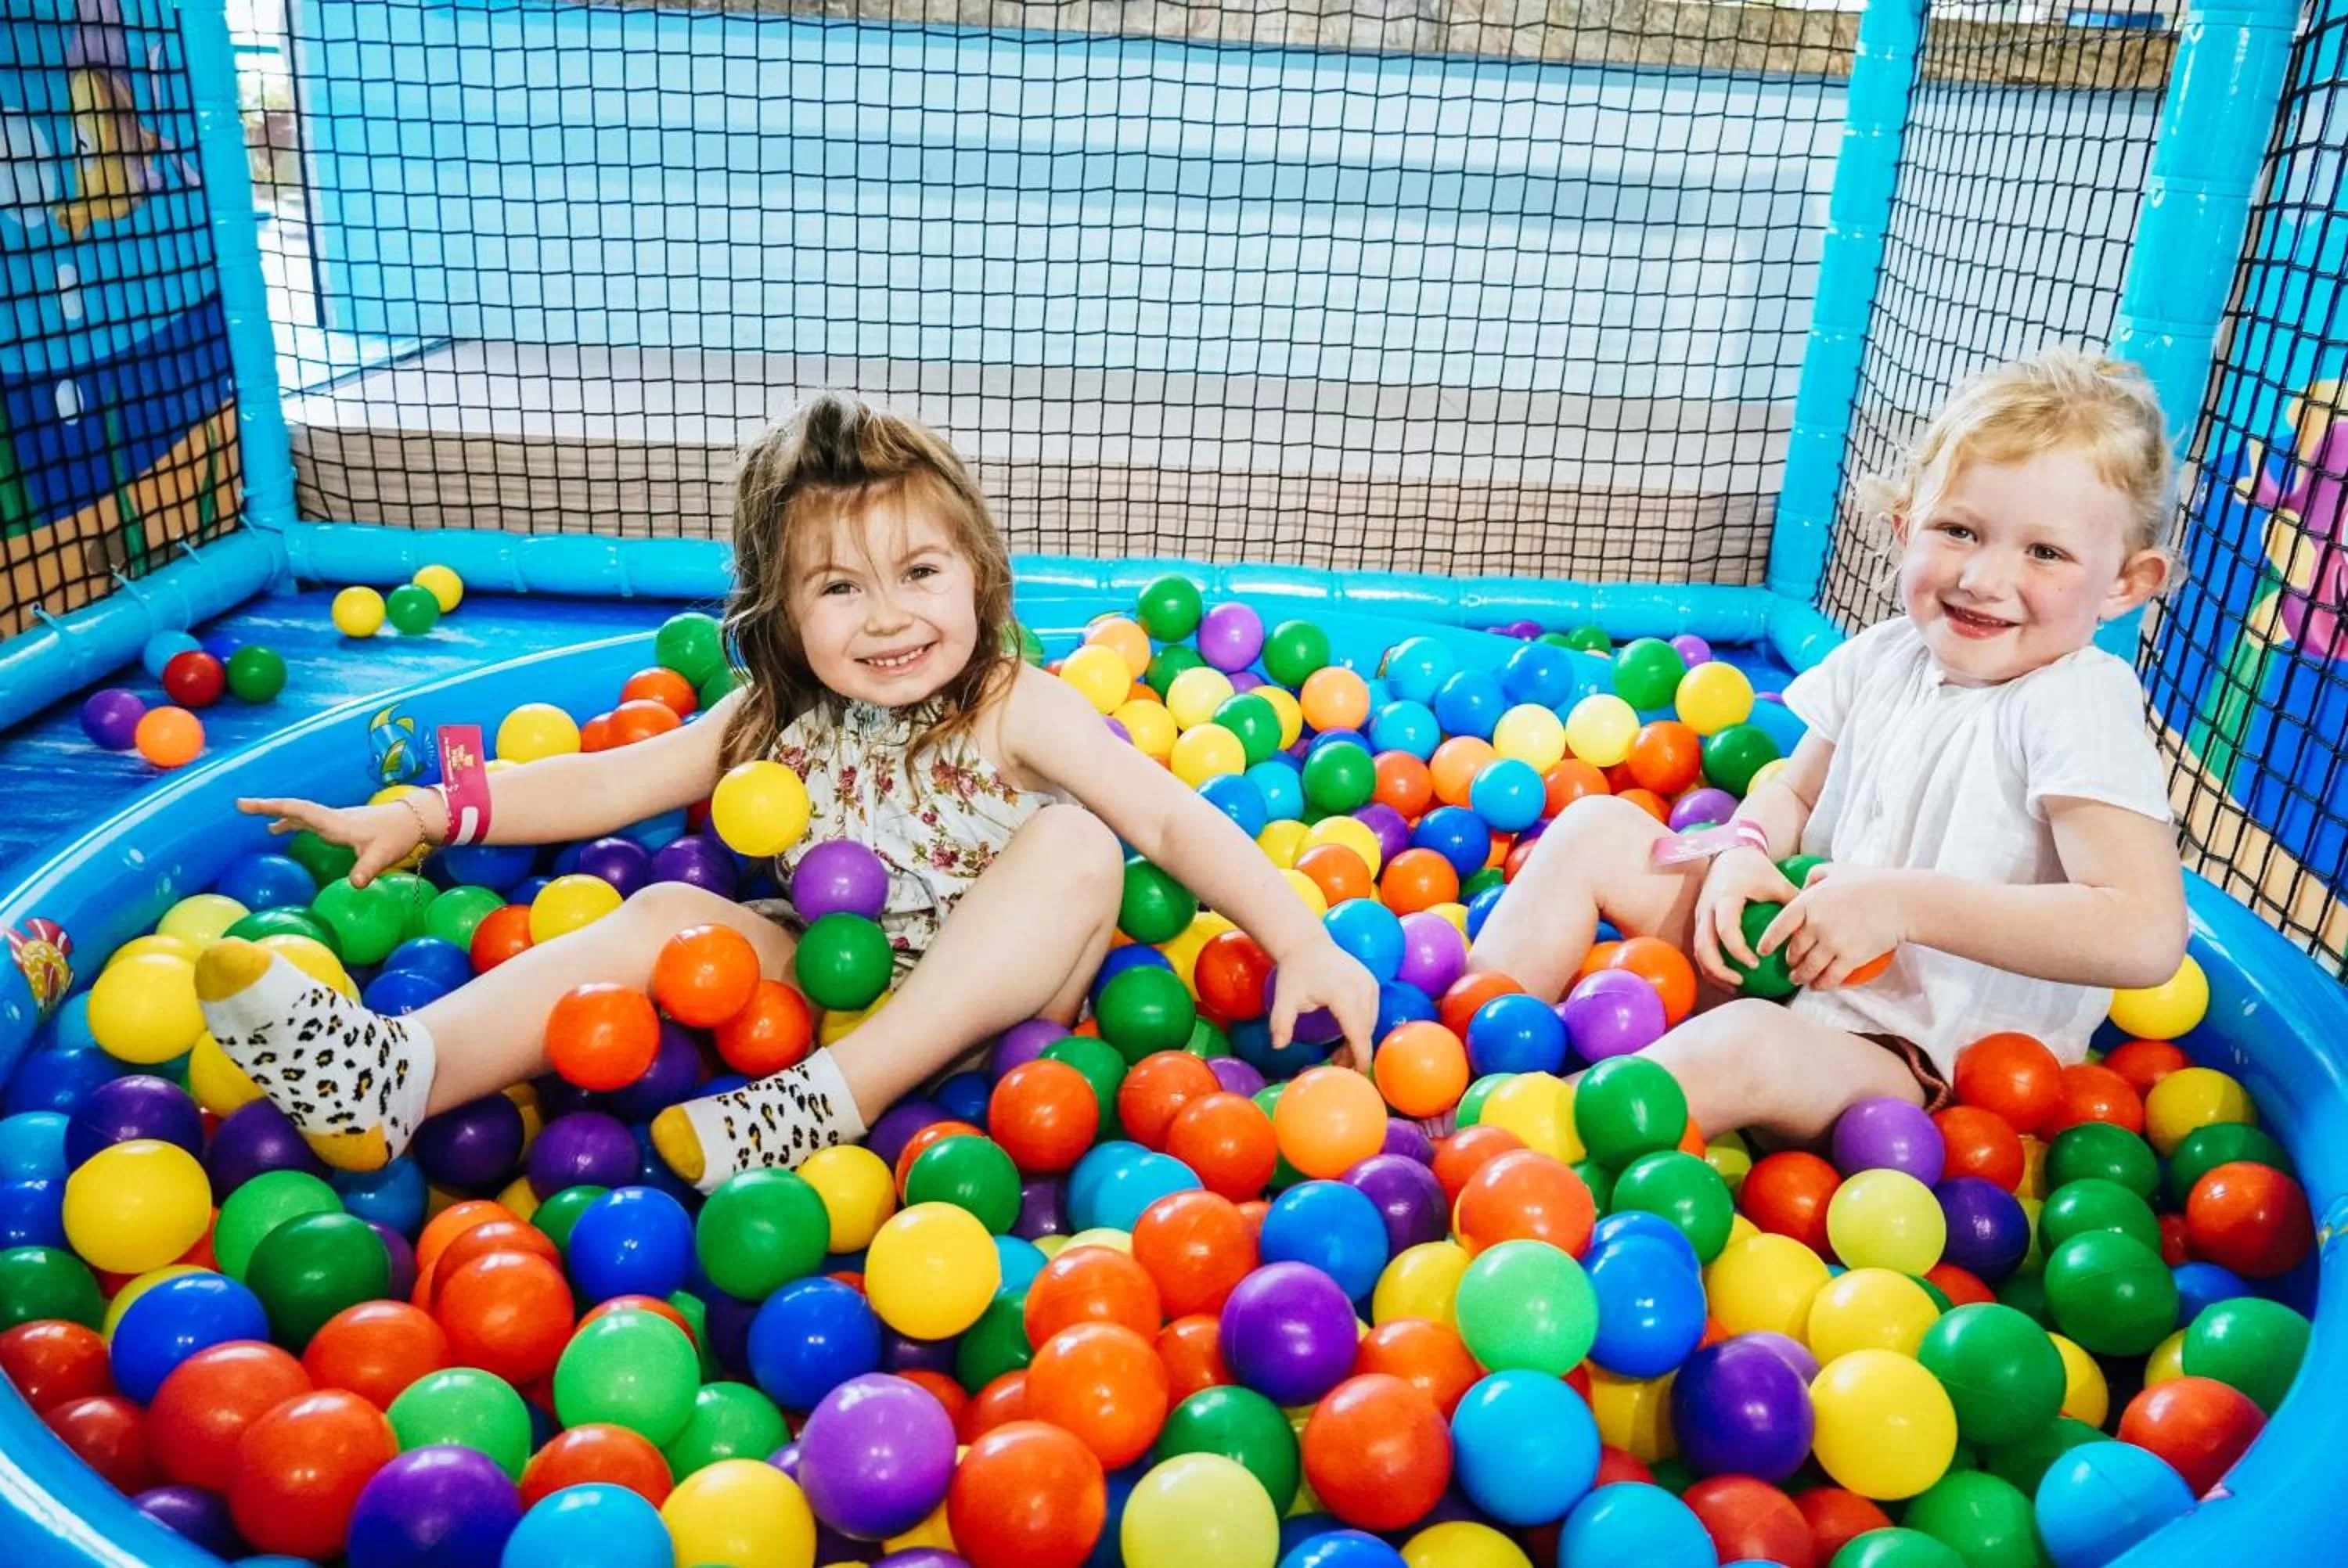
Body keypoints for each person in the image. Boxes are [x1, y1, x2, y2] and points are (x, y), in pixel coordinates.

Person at [193, 394, 1378, 1189]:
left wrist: (1303, 938)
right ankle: (395, 1073)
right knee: (662, 916)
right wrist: (422, 811)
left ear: (980, 574)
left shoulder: (1015, 702)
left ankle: (834, 1101)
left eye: (920, 572)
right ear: (778, 610)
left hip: (993, 1022)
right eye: (839, 591)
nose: (892, 618)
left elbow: (1168, 813)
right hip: (819, 982)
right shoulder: (776, 716)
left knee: (1082, 851)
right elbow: (605, 779)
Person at [1471, 347, 2189, 1142]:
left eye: (2044, 552)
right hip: (1792, 959)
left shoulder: (2074, 702)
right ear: (1904, 524)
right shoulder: (1885, 655)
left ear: (2126, 582)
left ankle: (1523, 1145)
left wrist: (1901, 905)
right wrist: (1745, 849)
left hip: (1926, 1055)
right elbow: (1795, 790)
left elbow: (2144, 932)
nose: (1984, 578)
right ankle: (1460, 1063)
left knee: (1742, 1045)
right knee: (1592, 833)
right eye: (1959, 530)